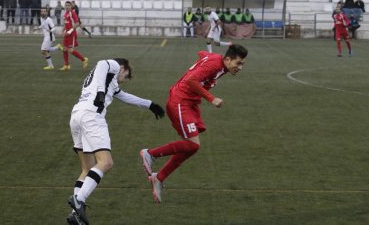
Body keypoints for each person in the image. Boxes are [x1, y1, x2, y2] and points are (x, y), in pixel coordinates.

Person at [139, 44, 248, 203]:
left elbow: (202, 53)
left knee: (192, 147)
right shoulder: (214, 64)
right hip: (180, 101)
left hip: (190, 104)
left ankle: (159, 177)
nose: (240, 67)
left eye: (242, 64)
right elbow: (191, 80)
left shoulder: (217, 61)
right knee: (192, 145)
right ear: (227, 59)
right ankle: (150, 154)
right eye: (238, 63)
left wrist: (208, 75)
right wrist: (212, 98)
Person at [66, 58, 165, 224]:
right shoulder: (111, 65)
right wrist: (100, 92)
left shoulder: (108, 82)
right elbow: (102, 65)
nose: (125, 79)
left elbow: (125, 96)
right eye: (126, 75)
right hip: (92, 116)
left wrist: (150, 104)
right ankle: (79, 200)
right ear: (123, 68)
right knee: (106, 162)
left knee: (87, 169)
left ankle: (75, 214)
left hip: (76, 116)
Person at [60, 1, 88, 71]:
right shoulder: (65, 13)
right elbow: (65, 24)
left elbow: (77, 23)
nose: (67, 6)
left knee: (70, 50)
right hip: (67, 34)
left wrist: (70, 31)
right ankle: (66, 65)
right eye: (66, 5)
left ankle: (84, 60)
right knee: (64, 49)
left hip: (71, 34)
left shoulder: (72, 13)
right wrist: (62, 31)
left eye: (68, 5)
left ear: (71, 6)